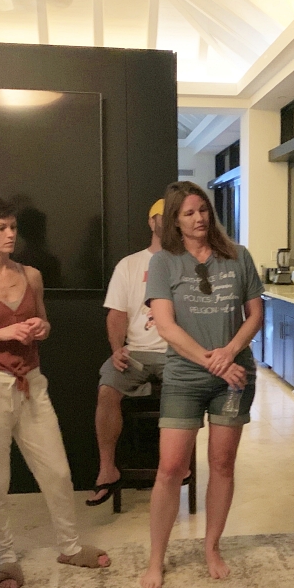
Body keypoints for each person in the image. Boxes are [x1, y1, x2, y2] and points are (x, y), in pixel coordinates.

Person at [0, 192, 110, 588]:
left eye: (13, 227)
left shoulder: (31, 275)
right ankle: (5, 558)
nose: (10, 235)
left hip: (32, 382)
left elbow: (44, 322)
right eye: (1, 228)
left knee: (57, 470)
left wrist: (41, 329)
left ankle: (70, 545)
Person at [140, 180, 264, 588]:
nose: (198, 218)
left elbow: (254, 315)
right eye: (189, 213)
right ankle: (157, 557)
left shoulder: (237, 257)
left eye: (203, 210)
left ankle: (212, 547)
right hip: (187, 376)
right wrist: (214, 361)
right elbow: (166, 326)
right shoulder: (165, 262)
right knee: (171, 468)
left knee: (222, 465)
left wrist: (229, 352)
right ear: (175, 220)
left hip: (234, 376)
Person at [87, 198, 168, 506]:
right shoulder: (130, 264)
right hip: (136, 352)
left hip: (176, 353)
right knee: (107, 389)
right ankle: (107, 468)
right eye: (162, 214)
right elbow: (116, 314)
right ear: (151, 221)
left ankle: (175, 466)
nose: (168, 220)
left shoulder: (187, 263)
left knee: (189, 389)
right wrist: (117, 349)